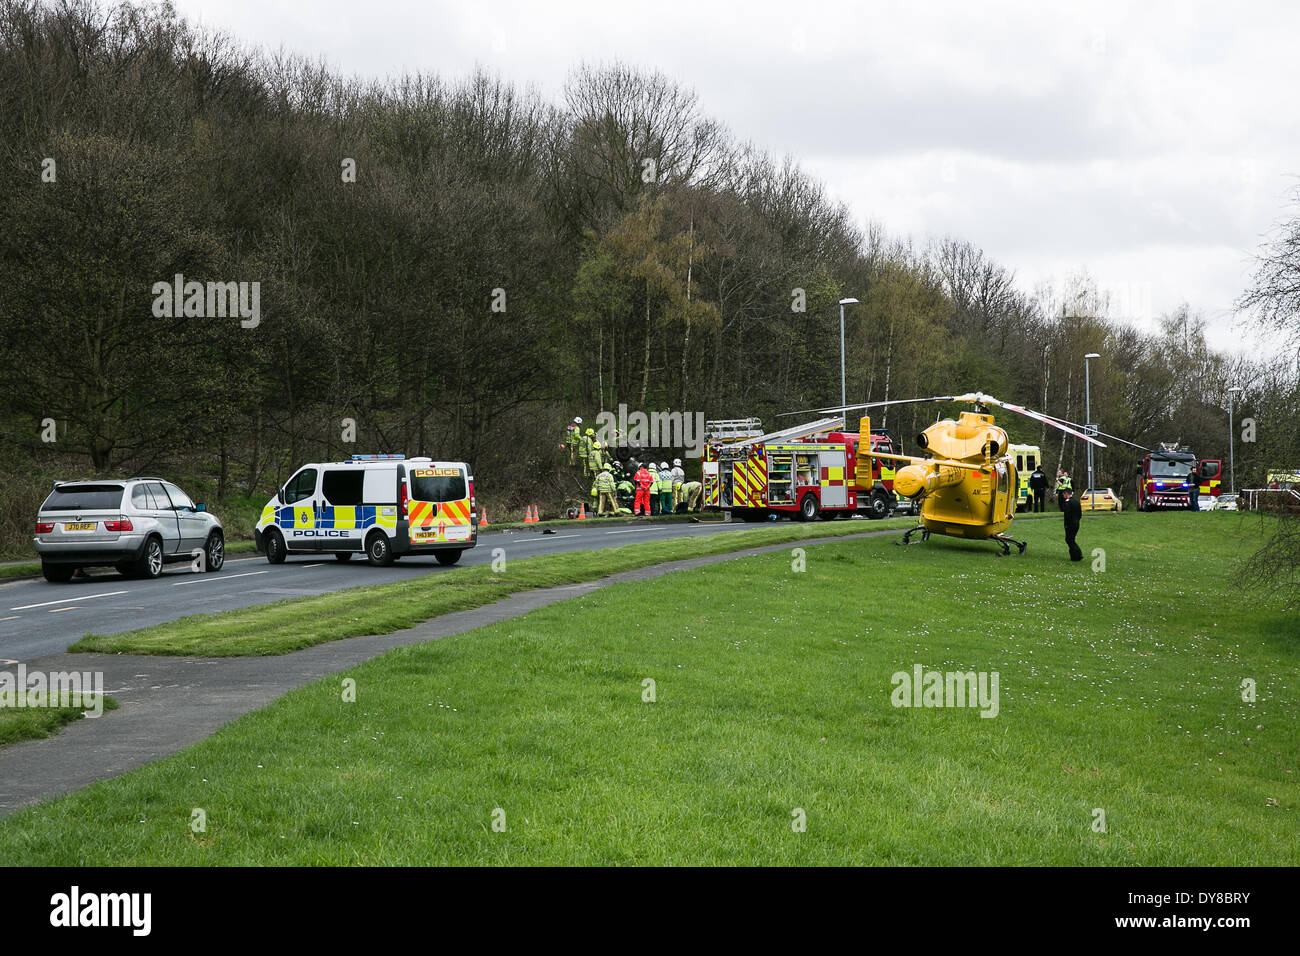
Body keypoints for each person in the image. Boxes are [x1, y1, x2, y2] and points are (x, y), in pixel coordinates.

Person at [1061, 486, 1083, 561]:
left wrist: (1066, 524)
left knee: (1069, 540)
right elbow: (1080, 514)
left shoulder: (1068, 502)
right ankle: (1077, 554)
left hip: (1070, 524)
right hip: (1076, 523)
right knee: (1071, 539)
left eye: (1063, 495)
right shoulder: (1077, 502)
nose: (1063, 496)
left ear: (1066, 494)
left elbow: (1067, 514)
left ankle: (1076, 555)